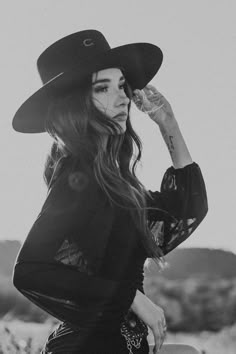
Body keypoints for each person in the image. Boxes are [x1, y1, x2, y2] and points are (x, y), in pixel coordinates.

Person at [12, 30, 208, 354]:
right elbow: (30, 271)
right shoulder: (78, 174)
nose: (123, 98)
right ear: (76, 102)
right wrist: (129, 297)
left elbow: (186, 208)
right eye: (103, 88)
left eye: (121, 85)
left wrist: (168, 123)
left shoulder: (115, 183)